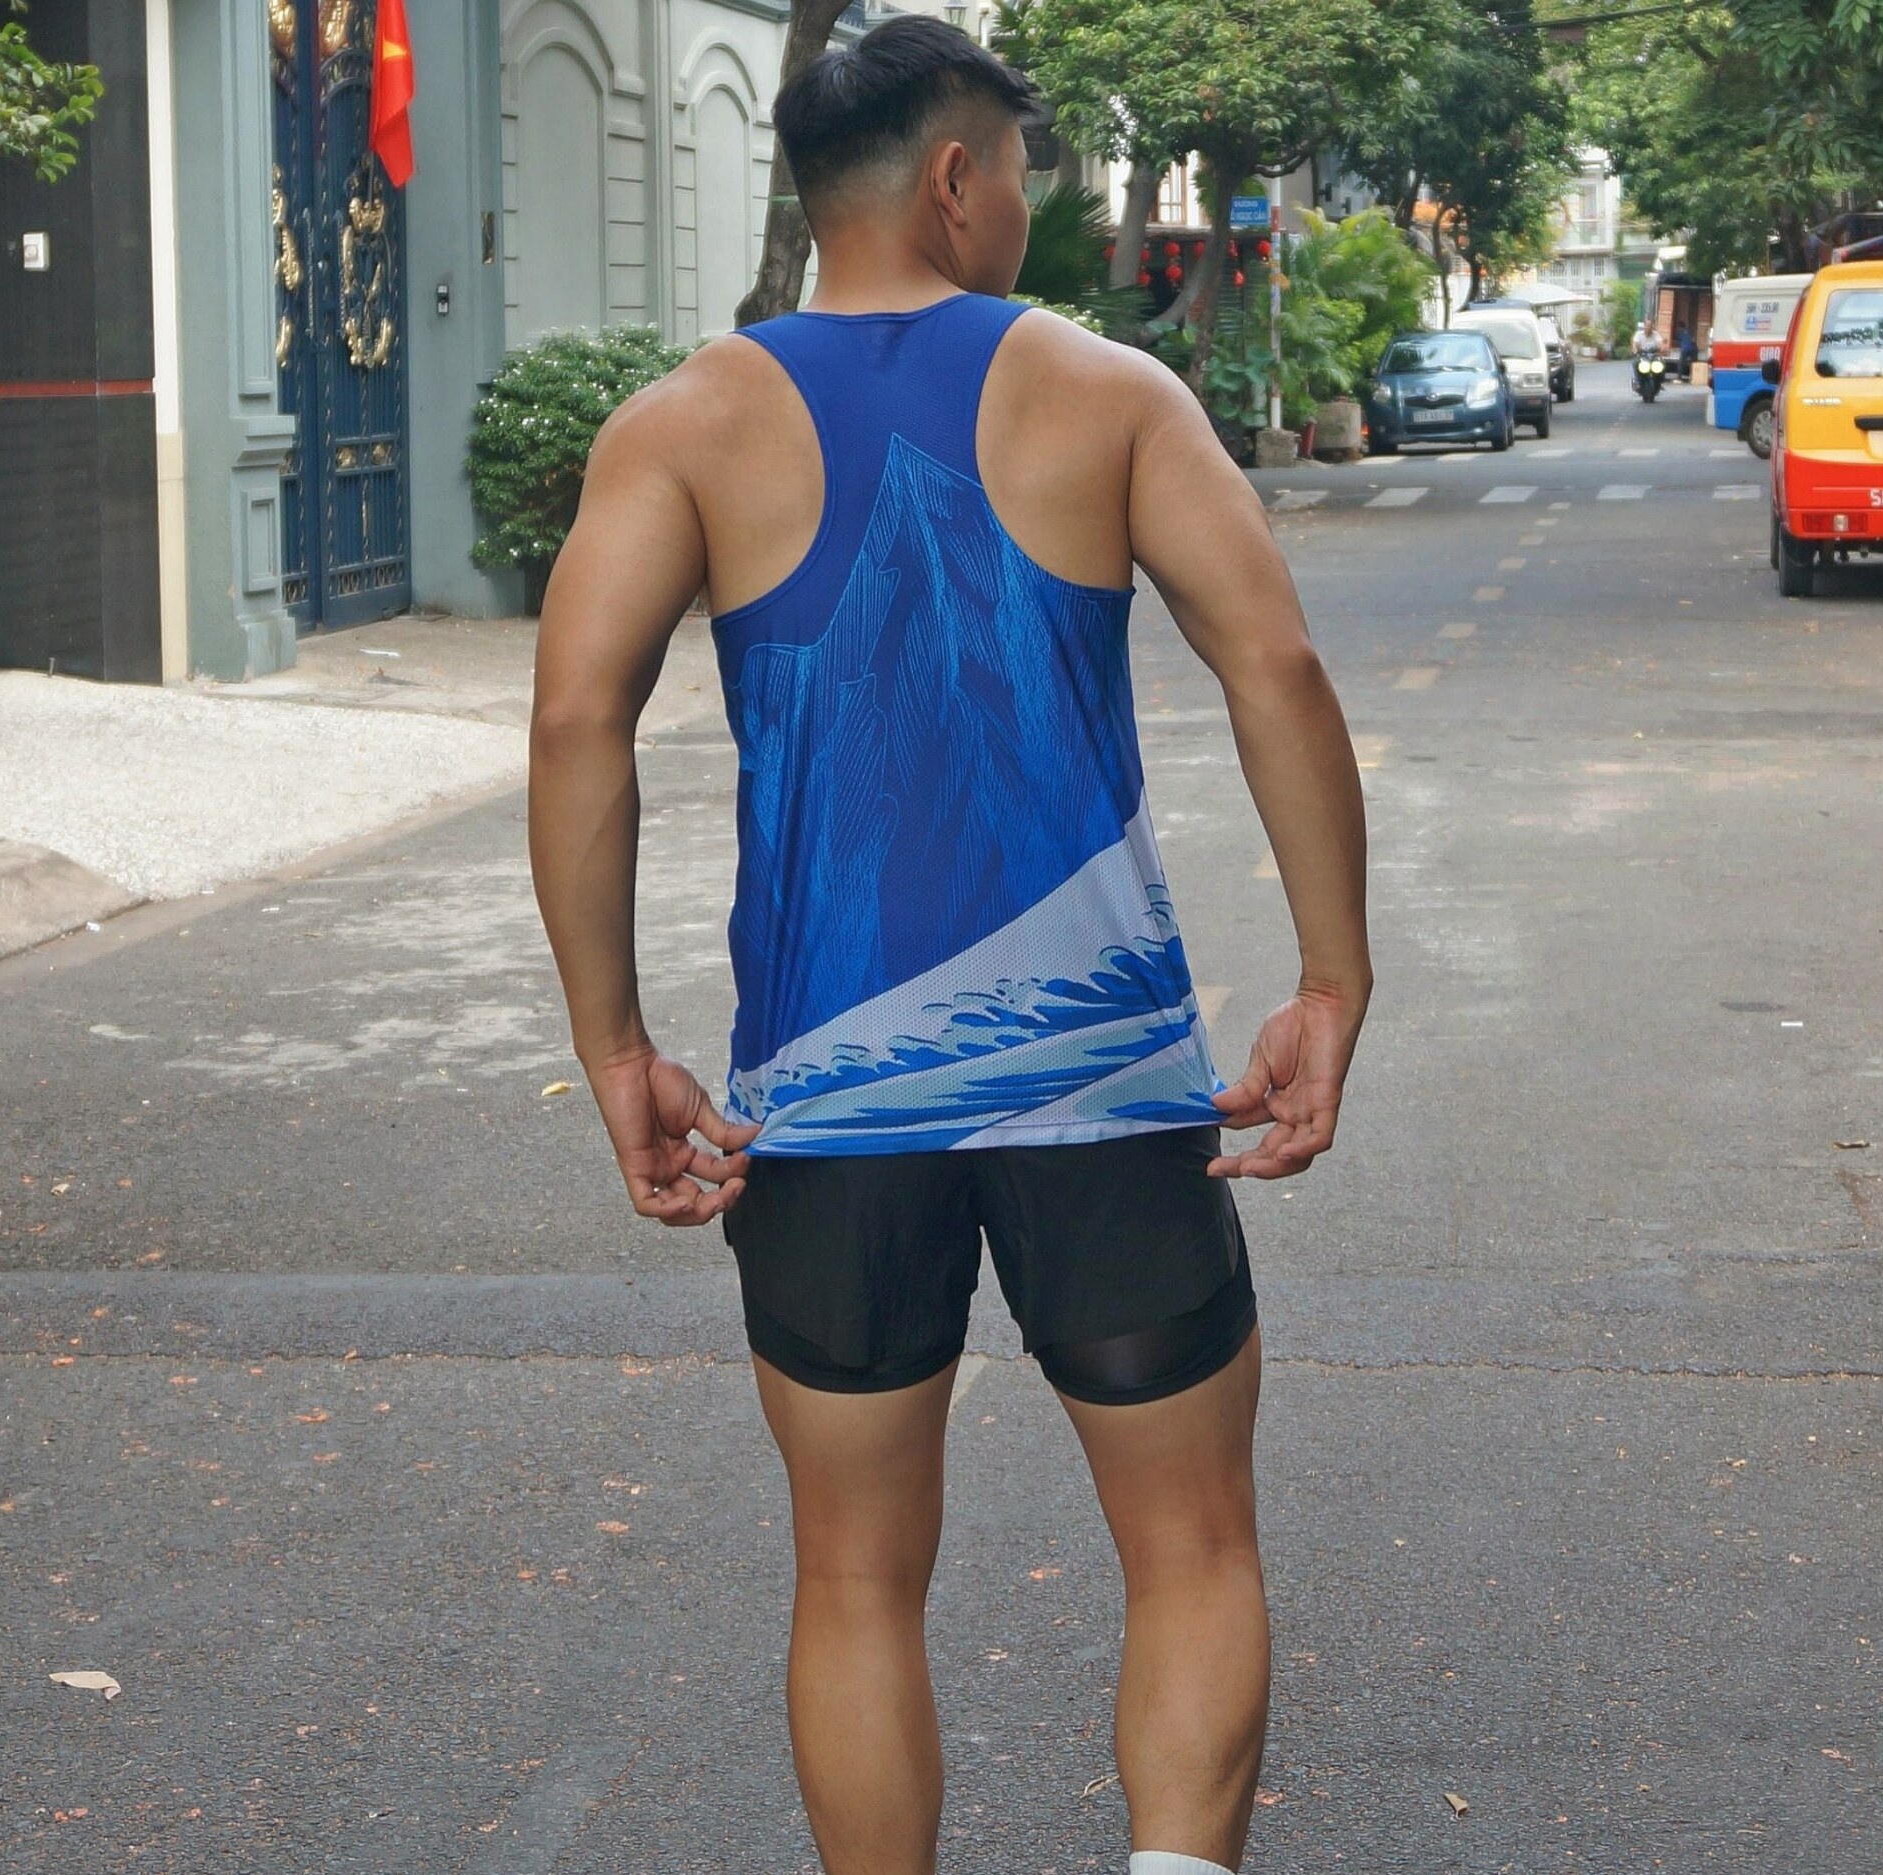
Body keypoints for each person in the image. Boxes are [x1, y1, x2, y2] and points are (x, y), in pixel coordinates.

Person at [527, 17, 1370, 1874]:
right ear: (952, 178)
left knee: (852, 1578)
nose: (1027, 215)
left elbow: (579, 719)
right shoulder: (1111, 393)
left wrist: (616, 1044)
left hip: (828, 1103)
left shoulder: (682, 425)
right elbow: (1277, 667)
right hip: (1106, 1082)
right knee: (1193, 1547)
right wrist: (1331, 980)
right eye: (1021, 177)